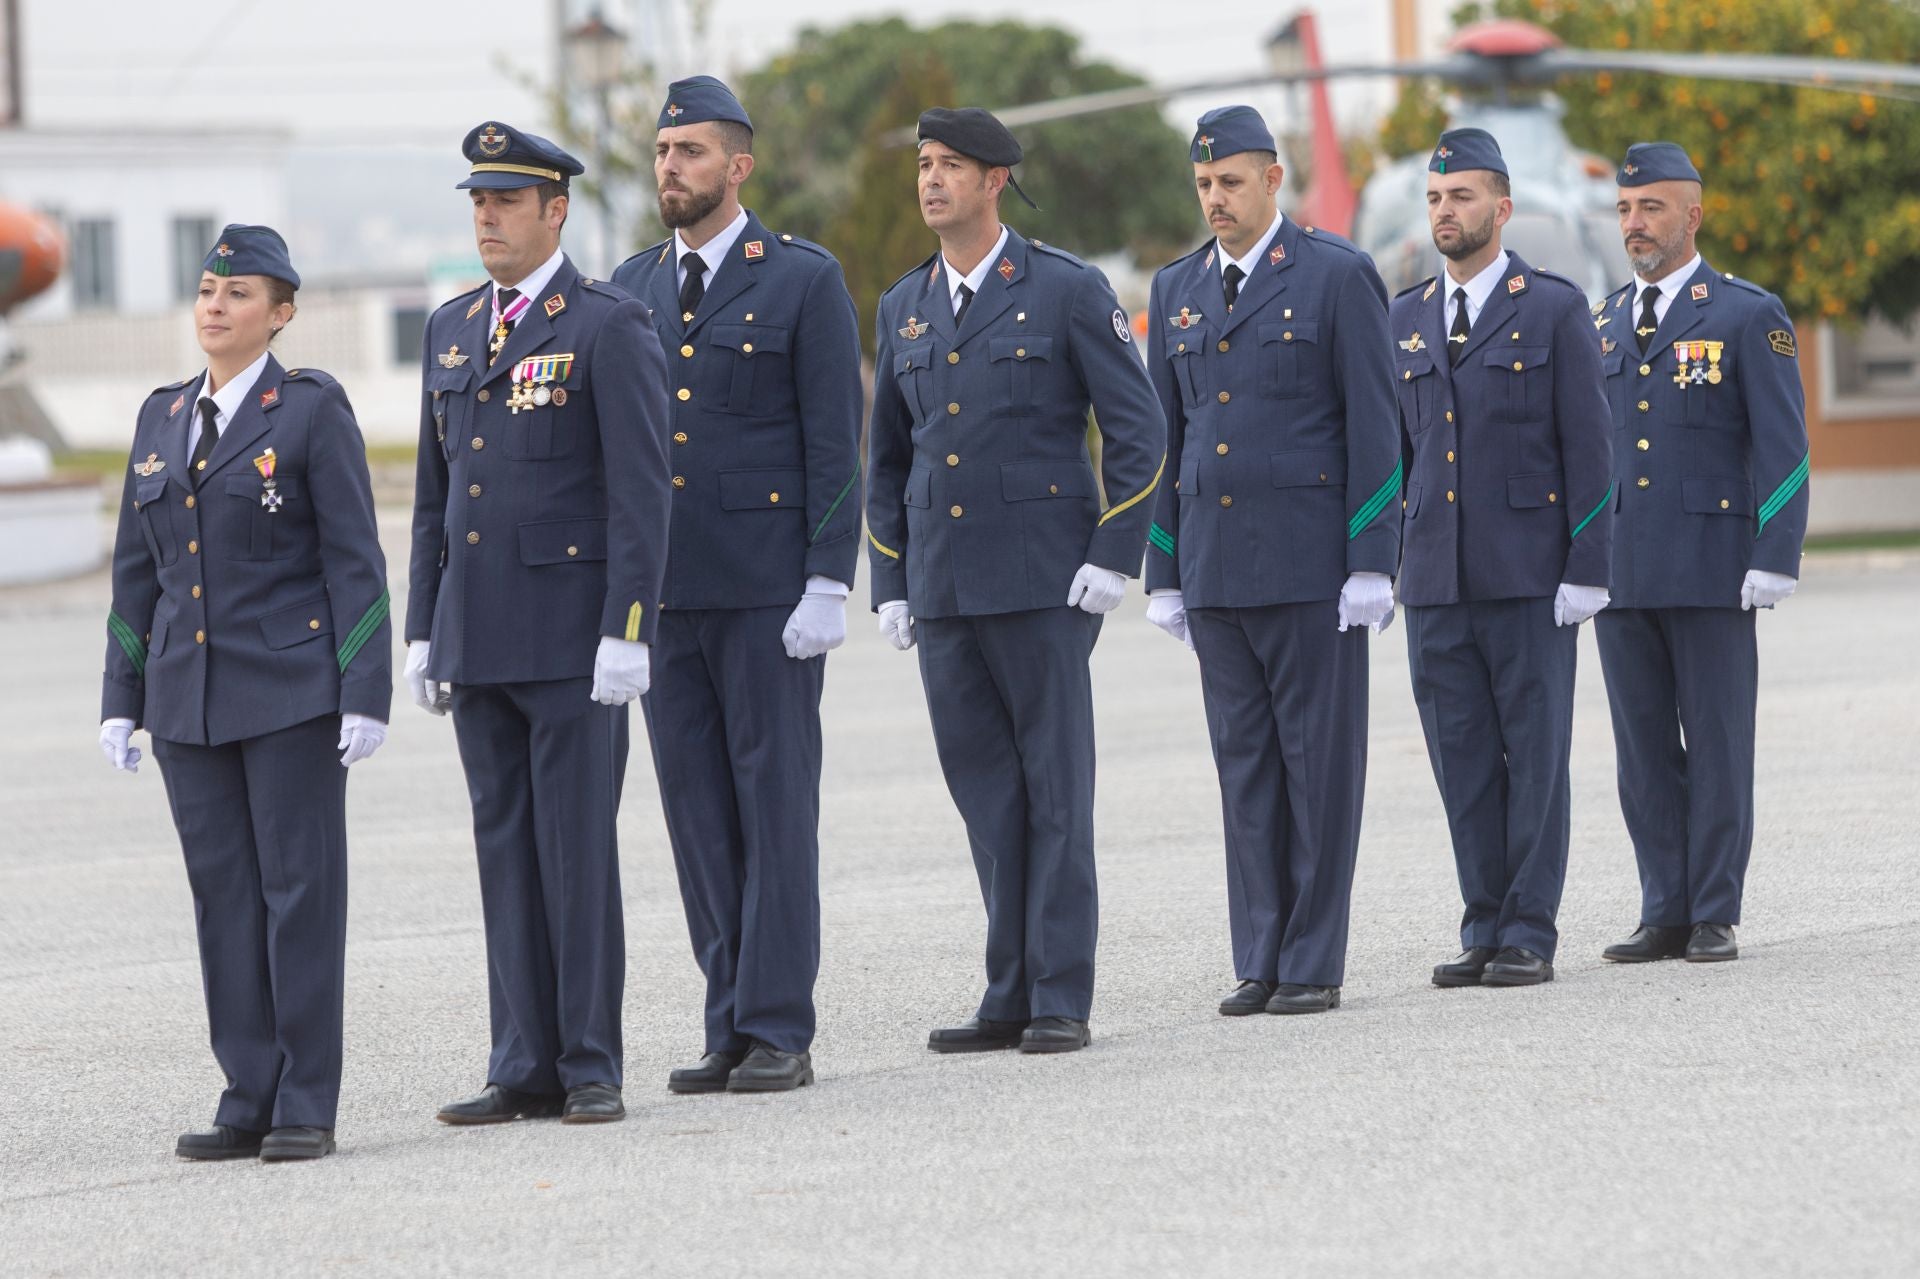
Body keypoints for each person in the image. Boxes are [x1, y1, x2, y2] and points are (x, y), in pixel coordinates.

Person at [865, 107, 1167, 1055]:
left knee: (1053, 792)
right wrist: (892, 580)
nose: (931, 180)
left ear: (997, 180)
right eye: (924, 164)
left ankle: (1060, 993)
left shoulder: (1067, 289)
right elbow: (886, 459)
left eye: (951, 164)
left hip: (1043, 584)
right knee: (986, 796)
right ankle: (1009, 988)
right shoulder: (902, 304)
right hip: (947, 590)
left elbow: (1139, 431)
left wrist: (1112, 555)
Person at [99, 224, 391, 1162]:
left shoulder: (307, 411)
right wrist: (122, 693)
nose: (214, 306)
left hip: (291, 691)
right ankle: (247, 1091)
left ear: (281, 314)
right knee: (222, 896)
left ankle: (306, 1097)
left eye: (237, 295)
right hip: (190, 699)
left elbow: (355, 558)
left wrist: (364, 685)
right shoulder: (161, 417)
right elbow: (135, 575)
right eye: (207, 291)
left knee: (298, 893)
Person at [406, 122, 672, 1125]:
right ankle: (520, 1060)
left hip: (572, 637)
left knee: (575, 848)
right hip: (479, 635)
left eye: (505, 200)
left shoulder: (605, 323)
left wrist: (628, 629)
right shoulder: (450, 327)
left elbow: (643, 494)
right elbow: (438, 496)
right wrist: (424, 625)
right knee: (503, 846)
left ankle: (589, 1059)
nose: (486, 216)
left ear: (554, 210)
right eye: (477, 201)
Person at [611, 77, 862, 1094]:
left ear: (738, 166)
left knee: (773, 807)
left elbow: (835, 443)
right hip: (668, 598)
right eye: (665, 151)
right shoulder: (627, 287)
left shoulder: (801, 280)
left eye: (692, 152)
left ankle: (778, 1025)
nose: (672, 167)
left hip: (767, 596)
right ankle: (726, 1018)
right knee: (698, 815)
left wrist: (826, 581)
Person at [1141, 106, 1399, 1017]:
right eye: (1204, 184)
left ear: (1273, 180)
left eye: (1231, 182)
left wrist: (1373, 559)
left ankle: (1314, 958)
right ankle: (1260, 953)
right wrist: (1162, 569)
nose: (1216, 198)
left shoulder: (1335, 276)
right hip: (1215, 573)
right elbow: (1165, 443)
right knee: (1244, 768)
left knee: (1316, 767)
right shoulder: (1177, 289)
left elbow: (1378, 425)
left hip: (1310, 571)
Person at [1389, 128, 1614, 989]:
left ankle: (1529, 928)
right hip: (1437, 580)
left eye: (1464, 197)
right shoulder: (1404, 316)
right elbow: (1396, 455)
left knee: (1535, 755)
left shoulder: (1551, 307)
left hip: (1529, 577)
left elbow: (1589, 449)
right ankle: (1483, 921)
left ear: (1502, 208)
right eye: (1438, 199)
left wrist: (1588, 565)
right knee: (1463, 761)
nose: (1447, 212)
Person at [1593, 142, 1809, 965]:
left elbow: (1785, 446)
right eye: (1624, 209)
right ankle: (1664, 907)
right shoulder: (1602, 319)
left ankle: (1715, 907)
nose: (1635, 224)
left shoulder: (1746, 313)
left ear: (1694, 213)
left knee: (1716, 743)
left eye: (1651, 207)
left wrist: (1775, 552)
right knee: (1642, 751)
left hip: (1714, 565)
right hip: (1622, 569)